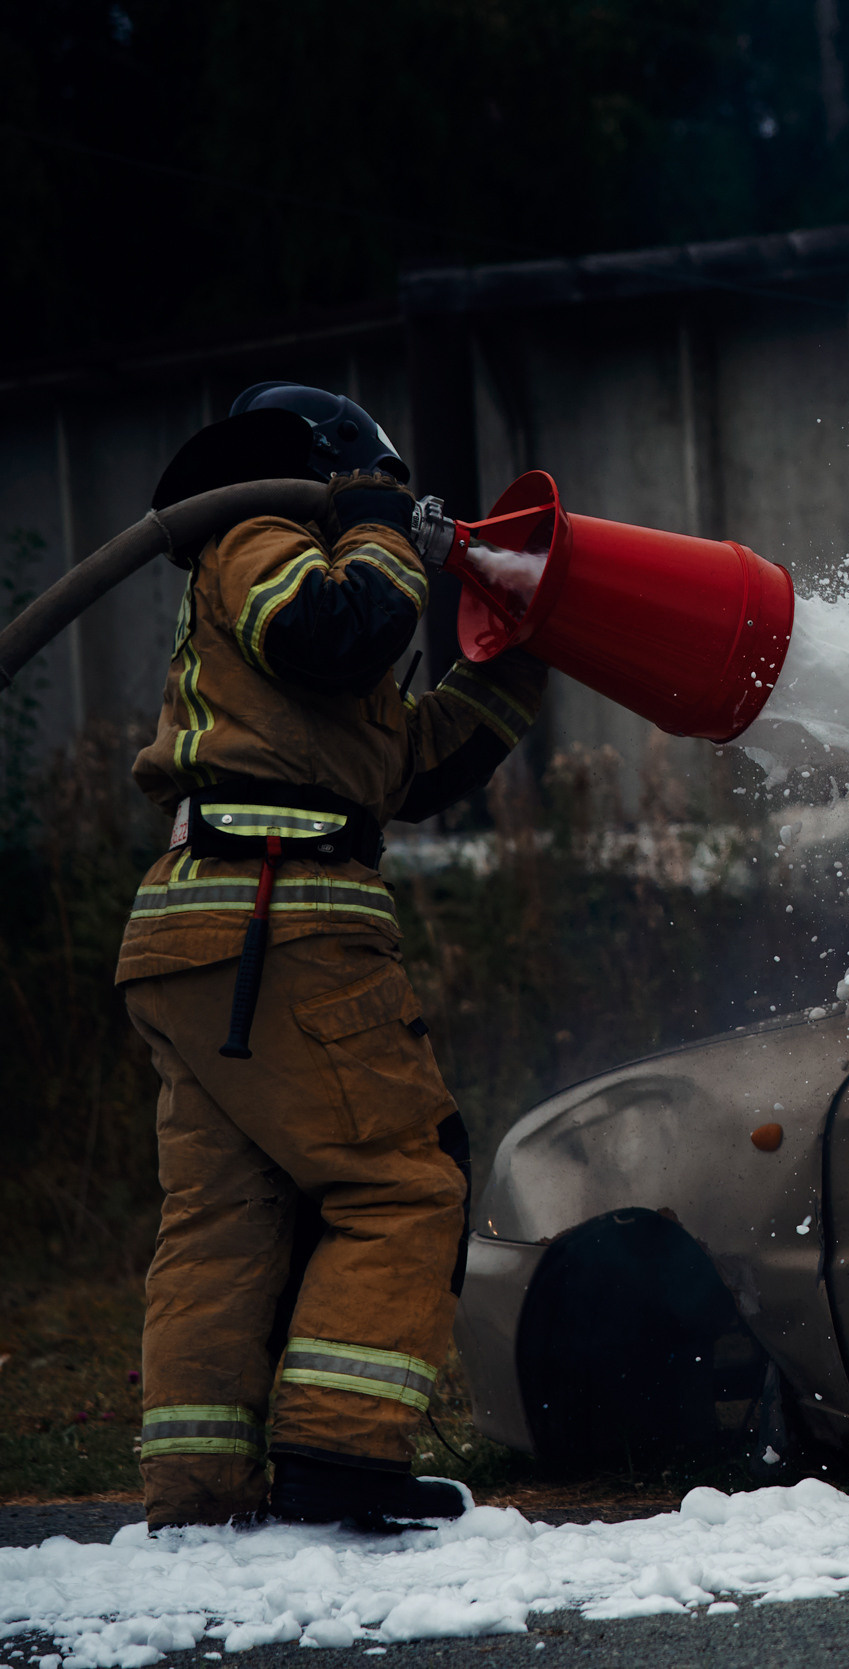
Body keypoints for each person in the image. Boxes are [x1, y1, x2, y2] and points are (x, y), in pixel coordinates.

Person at [119, 382, 544, 1532]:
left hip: (211, 925)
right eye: (377, 491)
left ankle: (201, 1492)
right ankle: (342, 1455)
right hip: (279, 918)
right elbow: (331, 629)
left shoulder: (282, 618)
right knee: (402, 1179)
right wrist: (375, 527)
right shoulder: (256, 535)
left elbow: (405, 770)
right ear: (337, 468)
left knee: (227, 1215)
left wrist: (519, 659)